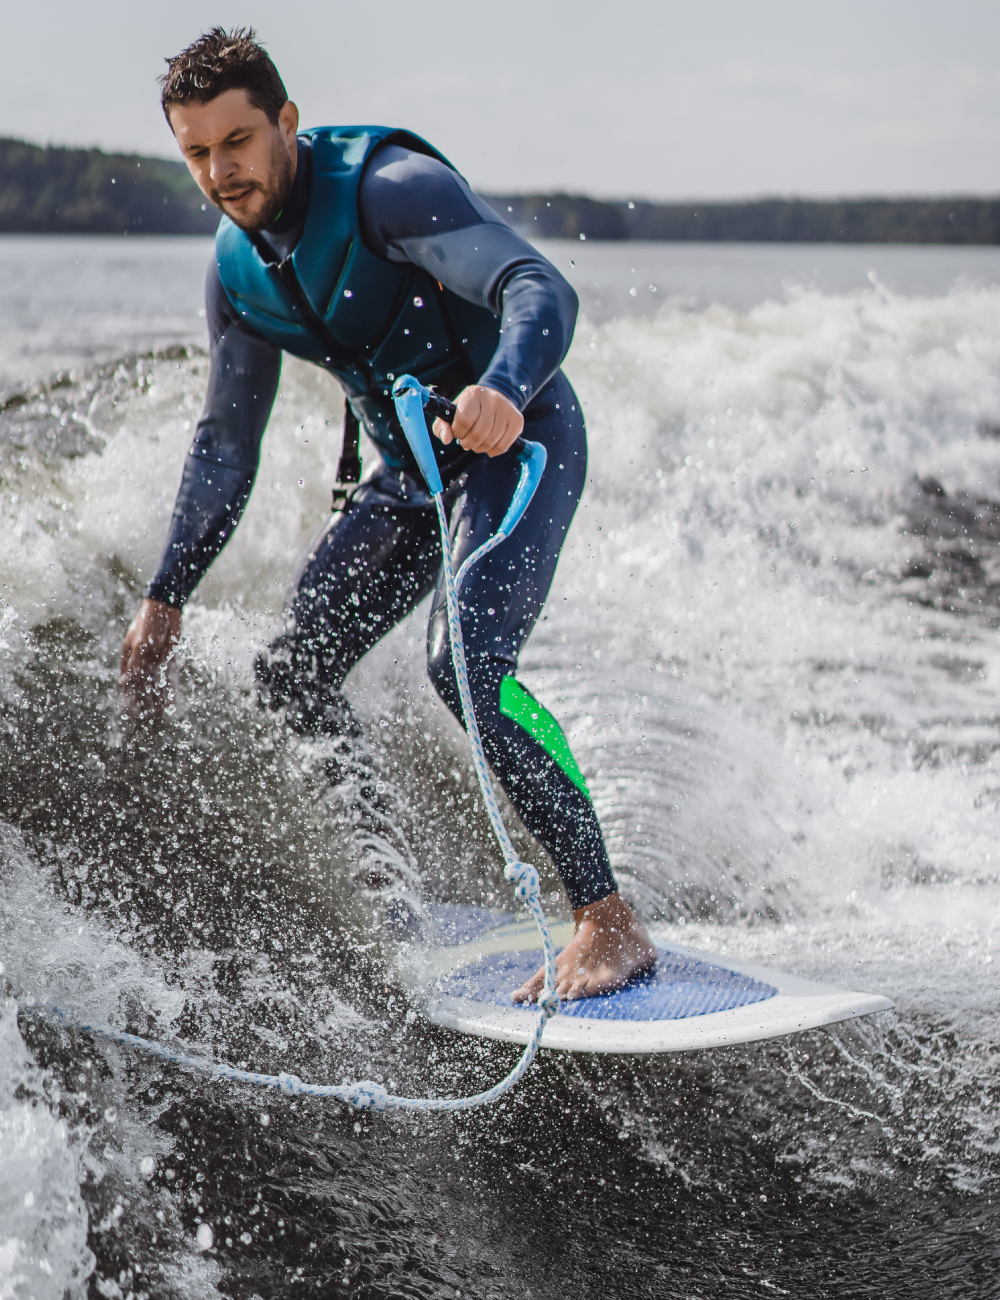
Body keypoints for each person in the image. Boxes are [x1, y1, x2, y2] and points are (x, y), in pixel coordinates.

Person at [120, 27, 655, 1003]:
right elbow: (224, 444)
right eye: (195, 153)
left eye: (235, 142)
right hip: (410, 477)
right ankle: (389, 893)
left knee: (468, 671)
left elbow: (538, 285)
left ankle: (607, 920)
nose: (218, 172)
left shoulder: (388, 189)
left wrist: (501, 385)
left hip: (515, 441)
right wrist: (166, 595)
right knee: (291, 669)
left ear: (285, 121)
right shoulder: (237, 273)